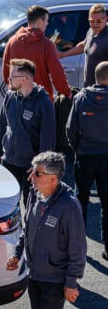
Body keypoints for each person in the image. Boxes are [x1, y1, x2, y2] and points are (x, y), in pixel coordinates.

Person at [6, 151, 86, 309]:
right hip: (35, 275)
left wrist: (71, 283)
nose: (32, 177)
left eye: (37, 173)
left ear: (54, 178)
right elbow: (27, 228)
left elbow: (77, 248)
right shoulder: (34, 194)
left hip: (55, 279)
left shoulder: (69, 206)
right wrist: (17, 253)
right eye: (33, 171)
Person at [0, 58, 56, 203]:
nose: (8, 79)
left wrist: (40, 167)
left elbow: (47, 139)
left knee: (30, 205)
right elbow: (2, 124)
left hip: (30, 167)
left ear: (24, 79)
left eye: (12, 76)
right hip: (8, 161)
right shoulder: (10, 96)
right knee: (9, 204)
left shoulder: (44, 103)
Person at [66, 60, 108, 262]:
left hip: (85, 156)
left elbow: (70, 129)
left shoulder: (81, 98)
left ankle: (78, 247)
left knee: (80, 201)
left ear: (96, 77)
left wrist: (77, 148)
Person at [2, 4, 71, 101]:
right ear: (39, 22)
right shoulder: (47, 45)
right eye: (46, 20)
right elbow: (57, 75)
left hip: (17, 99)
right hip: (41, 100)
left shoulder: (12, 41)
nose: (47, 23)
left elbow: (6, 74)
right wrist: (67, 92)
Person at [59, 3, 108, 88]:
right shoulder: (91, 30)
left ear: (105, 19)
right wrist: (63, 54)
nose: (95, 24)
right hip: (89, 87)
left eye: (98, 21)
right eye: (92, 21)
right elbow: (83, 45)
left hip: (103, 91)